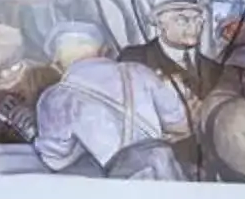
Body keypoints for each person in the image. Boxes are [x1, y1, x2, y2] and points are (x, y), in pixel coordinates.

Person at [32, 53, 190, 178]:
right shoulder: (140, 71)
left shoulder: (55, 96)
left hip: (125, 178)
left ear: (57, 63)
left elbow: (55, 159)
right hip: (166, 166)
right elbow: (181, 123)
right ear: (104, 51)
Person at [119, 0, 221, 101]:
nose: (194, 26)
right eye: (183, 20)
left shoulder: (215, 70)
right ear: (160, 23)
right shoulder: (134, 59)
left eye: (197, 19)